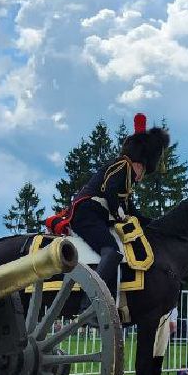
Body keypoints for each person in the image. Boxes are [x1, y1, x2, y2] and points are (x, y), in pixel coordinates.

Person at [59, 114, 169, 306]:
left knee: (114, 250)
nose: (142, 175)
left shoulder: (126, 181)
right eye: (143, 169)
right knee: (111, 250)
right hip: (87, 213)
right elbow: (110, 190)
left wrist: (155, 224)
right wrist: (118, 212)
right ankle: (92, 300)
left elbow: (133, 213)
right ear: (138, 163)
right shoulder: (122, 166)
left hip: (95, 216)